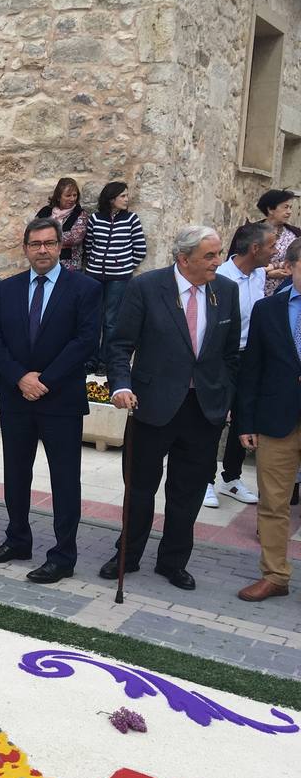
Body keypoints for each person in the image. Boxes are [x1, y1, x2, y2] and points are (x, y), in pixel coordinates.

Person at [101, 225, 240, 591]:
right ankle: (127, 555)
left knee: (188, 491)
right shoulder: (146, 287)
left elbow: (230, 355)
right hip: (152, 406)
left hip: (203, 411)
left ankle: (173, 561)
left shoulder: (226, 291)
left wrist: (225, 397)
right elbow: (119, 344)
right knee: (141, 487)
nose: (218, 261)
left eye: (218, 253)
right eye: (209, 256)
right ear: (184, 258)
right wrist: (121, 385)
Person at [0, 217, 101, 584]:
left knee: (65, 481)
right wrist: (20, 378)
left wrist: (43, 380)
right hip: (17, 398)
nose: (43, 250)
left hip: (60, 400)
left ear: (61, 245)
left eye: (49, 243)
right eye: (36, 244)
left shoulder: (85, 288)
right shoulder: (7, 289)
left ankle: (63, 555)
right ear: (26, 248)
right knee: (16, 474)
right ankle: (17, 539)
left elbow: (84, 341)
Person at [235, 240, 301, 602]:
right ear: (290, 267)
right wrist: (246, 421)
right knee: (273, 504)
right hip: (277, 421)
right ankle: (275, 575)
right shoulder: (267, 310)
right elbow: (252, 370)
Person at [204, 220, 273, 507]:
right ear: (255, 248)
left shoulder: (259, 275)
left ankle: (231, 477)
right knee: (215, 418)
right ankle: (204, 480)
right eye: (270, 245)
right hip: (223, 357)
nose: (274, 251)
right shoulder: (220, 276)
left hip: (252, 357)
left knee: (245, 418)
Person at [83, 182, 146, 374]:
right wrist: (95, 261)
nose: (126, 199)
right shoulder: (95, 218)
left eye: (127, 196)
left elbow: (140, 249)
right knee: (92, 319)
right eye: (123, 196)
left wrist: (123, 265)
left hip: (118, 278)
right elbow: (89, 244)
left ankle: (104, 361)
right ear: (112, 199)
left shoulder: (131, 219)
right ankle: (90, 359)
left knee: (111, 321)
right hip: (94, 275)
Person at [252, 189, 300, 297]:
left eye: (290, 208)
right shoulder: (250, 232)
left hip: (285, 293)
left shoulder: (295, 234)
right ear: (270, 209)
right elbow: (241, 263)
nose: (289, 211)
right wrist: (267, 274)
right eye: (285, 207)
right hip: (254, 290)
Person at [35, 177, 87, 271]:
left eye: (74, 195)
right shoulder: (45, 212)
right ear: (59, 197)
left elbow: (74, 238)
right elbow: (33, 233)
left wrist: (45, 238)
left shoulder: (80, 214)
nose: (72, 199)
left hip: (69, 267)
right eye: (68, 195)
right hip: (45, 264)